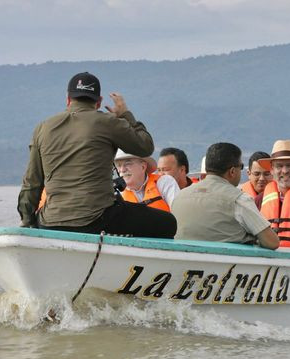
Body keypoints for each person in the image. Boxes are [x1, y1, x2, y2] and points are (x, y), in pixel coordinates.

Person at [17, 72, 176, 238]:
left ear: (68, 99)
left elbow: (31, 182)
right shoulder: (107, 122)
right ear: (98, 102)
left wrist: (28, 221)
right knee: (168, 223)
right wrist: (125, 115)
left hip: (50, 222)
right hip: (98, 219)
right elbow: (145, 146)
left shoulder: (42, 128)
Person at [171, 143, 279, 249]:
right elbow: (272, 242)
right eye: (241, 166)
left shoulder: (179, 196)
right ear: (232, 171)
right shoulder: (239, 199)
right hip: (226, 264)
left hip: (183, 263)